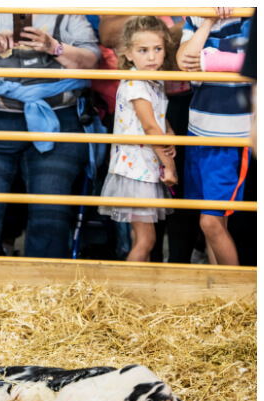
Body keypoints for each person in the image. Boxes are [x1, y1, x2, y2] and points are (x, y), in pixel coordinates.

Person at [0, 13, 100, 259]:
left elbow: (92, 61)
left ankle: (45, 291)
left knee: (50, 212)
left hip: (58, 116)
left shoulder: (70, 11)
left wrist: (54, 47)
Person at [98, 17, 179, 262]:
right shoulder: (136, 83)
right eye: (143, 51)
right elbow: (150, 127)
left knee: (139, 238)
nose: (152, 57)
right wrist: (171, 167)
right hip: (136, 170)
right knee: (147, 240)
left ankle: (133, 291)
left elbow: (157, 119)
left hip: (144, 166)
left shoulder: (151, 80)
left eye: (158, 49)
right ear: (128, 53)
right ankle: (125, 294)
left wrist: (170, 131)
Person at [178, 8, 249, 266]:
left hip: (230, 138)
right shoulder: (196, 16)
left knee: (211, 221)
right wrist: (208, 19)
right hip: (198, 132)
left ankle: (239, 299)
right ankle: (218, 297)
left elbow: (253, 61)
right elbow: (184, 61)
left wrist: (208, 62)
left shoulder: (249, 15)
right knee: (209, 222)